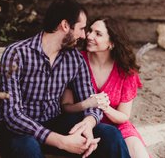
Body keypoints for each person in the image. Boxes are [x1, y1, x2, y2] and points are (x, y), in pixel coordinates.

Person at [0, 0, 130, 158]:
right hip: (19, 128)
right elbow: (12, 115)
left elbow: (91, 99)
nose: (83, 35)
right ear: (65, 25)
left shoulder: (74, 58)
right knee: (28, 148)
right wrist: (61, 141)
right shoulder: (16, 54)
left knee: (110, 135)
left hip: (55, 121)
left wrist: (88, 123)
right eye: (81, 28)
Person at [61, 17, 150, 158]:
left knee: (139, 154)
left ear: (112, 43)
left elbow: (124, 116)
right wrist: (88, 104)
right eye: (90, 31)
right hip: (84, 123)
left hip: (117, 125)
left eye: (98, 34)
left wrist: (105, 107)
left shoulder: (126, 70)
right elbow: (66, 107)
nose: (89, 36)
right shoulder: (76, 61)